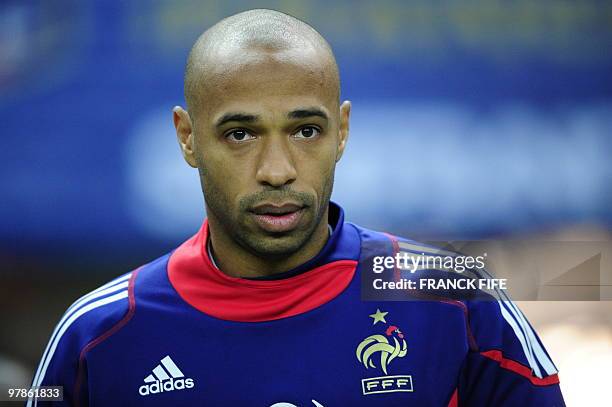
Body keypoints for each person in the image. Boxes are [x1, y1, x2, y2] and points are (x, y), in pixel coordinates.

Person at [29, 9, 565, 407]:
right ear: (188, 138)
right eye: (240, 134)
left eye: (306, 130)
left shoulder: (456, 295)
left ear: (343, 130)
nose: (277, 169)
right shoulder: (98, 334)